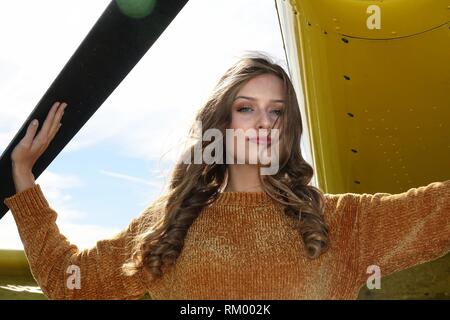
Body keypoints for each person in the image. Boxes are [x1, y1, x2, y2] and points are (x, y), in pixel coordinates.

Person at [4, 52, 449, 300]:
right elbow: (69, 283)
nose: (263, 123)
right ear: (221, 124)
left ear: (289, 129)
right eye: (245, 108)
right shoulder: (165, 231)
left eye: (277, 112)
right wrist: (23, 176)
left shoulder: (343, 221)